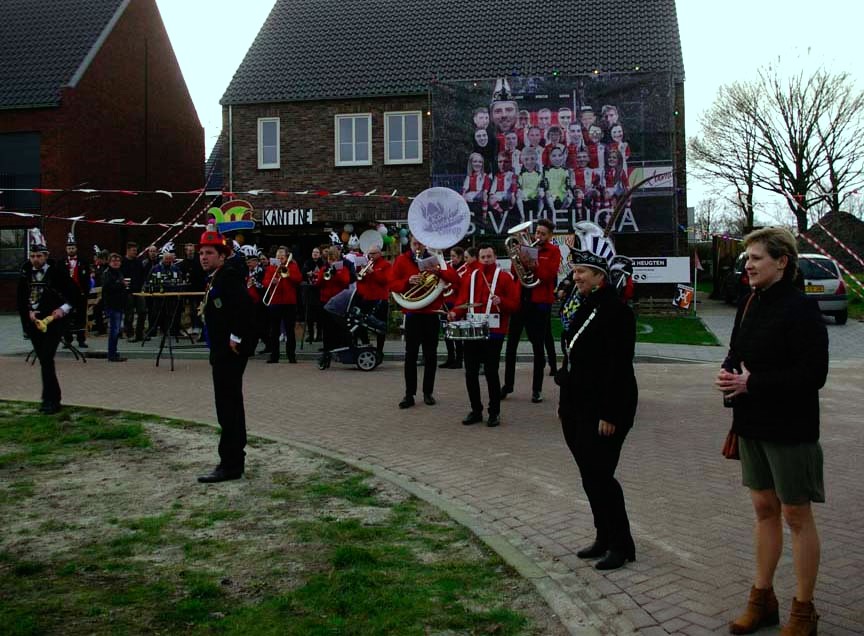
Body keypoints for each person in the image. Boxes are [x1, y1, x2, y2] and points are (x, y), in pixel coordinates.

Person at [715, 227, 828, 636]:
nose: (747, 265)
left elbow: (814, 375)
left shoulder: (802, 309)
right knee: (764, 510)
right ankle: (762, 600)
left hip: (790, 426)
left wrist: (753, 383)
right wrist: (728, 373)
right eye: (746, 258)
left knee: (796, 514)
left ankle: (804, 610)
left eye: (756, 258)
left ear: (782, 262)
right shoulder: (748, 303)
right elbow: (736, 351)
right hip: (751, 423)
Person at [557, 223, 637, 571]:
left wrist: (610, 413)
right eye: (575, 270)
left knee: (601, 475)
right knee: (590, 476)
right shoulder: (582, 304)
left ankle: (621, 544)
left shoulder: (617, 311)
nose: (575, 276)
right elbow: (575, 354)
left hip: (605, 408)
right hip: (576, 404)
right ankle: (603, 535)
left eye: (582, 272)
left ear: (600, 276)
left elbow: (618, 367)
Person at [197, 225, 255, 483]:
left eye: (209, 253)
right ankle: (233, 461)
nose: (204, 257)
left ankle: (230, 463)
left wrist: (236, 337)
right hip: (221, 350)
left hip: (228, 351)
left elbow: (244, 307)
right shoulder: (217, 276)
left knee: (228, 407)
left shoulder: (228, 276)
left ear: (222, 256)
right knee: (229, 405)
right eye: (201, 253)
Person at [448, 244, 520, 427]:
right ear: (478, 258)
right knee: (470, 372)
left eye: (489, 256)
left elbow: (515, 305)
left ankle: (494, 412)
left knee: (491, 372)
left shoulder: (504, 277)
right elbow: (462, 301)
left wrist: (501, 301)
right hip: (473, 331)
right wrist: (455, 312)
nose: (486, 260)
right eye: (483, 257)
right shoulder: (470, 277)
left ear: (495, 257)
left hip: (494, 333)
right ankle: (476, 410)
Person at [390, 235, 459, 408]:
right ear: (410, 244)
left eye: (420, 243)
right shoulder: (401, 260)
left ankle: (428, 392)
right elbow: (392, 284)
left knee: (431, 356)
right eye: (415, 244)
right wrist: (407, 281)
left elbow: (455, 279)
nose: (418, 247)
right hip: (413, 314)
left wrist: (438, 271)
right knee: (410, 356)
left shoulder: (435, 259)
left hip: (431, 313)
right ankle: (409, 394)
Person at [16, 229, 80, 414]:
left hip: (53, 323)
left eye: (39, 256)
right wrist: (28, 313)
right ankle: (51, 399)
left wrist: (62, 310)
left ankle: (50, 400)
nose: (35, 259)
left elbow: (74, 295)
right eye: (32, 256)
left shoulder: (57, 273)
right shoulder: (25, 274)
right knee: (45, 361)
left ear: (46, 256)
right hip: (34, 324)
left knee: (46, 358)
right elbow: (21, 299)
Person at [502, 218, 561, 403]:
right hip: (520, 301)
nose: (538, 236)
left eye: (543, 234)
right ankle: (508, 385)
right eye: (537, 232)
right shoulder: (525, 248)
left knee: (538, 347)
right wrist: (518, 259)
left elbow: (548, 276)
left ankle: (537, 389)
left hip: (539, 303)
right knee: (511, 345)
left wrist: (533, 264)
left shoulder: (554, 251)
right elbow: (515, 273)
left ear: (550, 236)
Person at [262, 247, 302, 364]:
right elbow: (264, 282)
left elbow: (299, 279)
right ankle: (274, 356)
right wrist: (271, 281)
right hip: (275, 301)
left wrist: (288, 274)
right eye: (278, 257)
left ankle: (291, 356)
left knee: (290, 330)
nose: (280, 259)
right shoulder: (271, 267)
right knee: (274, 331)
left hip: (289, 302)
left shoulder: (292, 266)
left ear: (286, 257)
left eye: (282, 257)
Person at [315, 246, 351, 369]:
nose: (331, 261)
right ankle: (327, 352)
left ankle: (340, 352)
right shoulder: (324, 268)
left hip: (338, 302)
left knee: (338, 328)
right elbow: (318, 284)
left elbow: (346, 282)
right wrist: (324, 273)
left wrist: (336, 274)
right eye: (330, 259)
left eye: (334, 259)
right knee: (327, 328)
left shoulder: (343, 269)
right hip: (325, 301)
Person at [355, 242, 391, 364]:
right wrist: (362, 273)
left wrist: (373, 272)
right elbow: (361, 281)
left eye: (373, 254)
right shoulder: (368, 264)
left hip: (380, 299)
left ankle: (379, 351)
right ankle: (367, 346)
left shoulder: (386, 265)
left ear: (379, 254)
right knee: (360, 323)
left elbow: (385, 280)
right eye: (369, 254)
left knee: (380, 327)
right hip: (367, 298)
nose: (371, 256)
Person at [440, 246, 468, 369]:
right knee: (447, 333)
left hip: (457, 304)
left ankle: (459, 359)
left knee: (456, 333)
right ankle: (450, 358)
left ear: (460, 257)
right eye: (451, 256)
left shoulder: (464, 269)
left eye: (454, 256)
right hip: (445, 302)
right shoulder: (448, 267)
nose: (451, 258)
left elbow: (458, 282)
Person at [61, 233, 90, 349]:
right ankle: (67, 340)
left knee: (80, 317)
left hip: (80, 294)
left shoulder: (83, 262)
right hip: (66, 295)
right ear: (66, 249)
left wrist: (85, 292)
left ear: (76, 248)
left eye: (73, 248)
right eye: (69, 248)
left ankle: (81, 340)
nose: (71, 250)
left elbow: (87, 279)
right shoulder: (61, 263)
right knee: (66, 317)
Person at [101, 252, 128, 362]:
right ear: (109, 262)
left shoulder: (118, 273)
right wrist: (122, 284)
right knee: (114, 330)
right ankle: (112, 354)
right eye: (113, 261)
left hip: (119, 304)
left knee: (117, 330)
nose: (116, 263)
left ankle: (114, 352)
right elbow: (107, 288)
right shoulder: (107, 273)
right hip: (112, 305)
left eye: (118, 261)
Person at [121, 242, 146, 342]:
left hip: (138, 291)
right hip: (127, 292)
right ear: (128, 250)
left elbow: (143, 275)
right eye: (133, 250)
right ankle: (129, 333)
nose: (135, 252)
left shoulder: (138, 262)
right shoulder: (123, 262)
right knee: (129, 313)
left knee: (142, 311)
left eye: (136, 250)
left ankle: (140, 333)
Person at [302, 246, 325, 342]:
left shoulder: (323, 263)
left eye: (317, 252)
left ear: (320, 254)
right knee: (309, 315)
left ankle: (319, 334)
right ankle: (310, 334)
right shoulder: (307, 262)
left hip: (319, 291)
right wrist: (307, 274)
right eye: (313, 252)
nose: (315, 254)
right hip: (310, 291)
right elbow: (303, 273)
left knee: (320, 314)